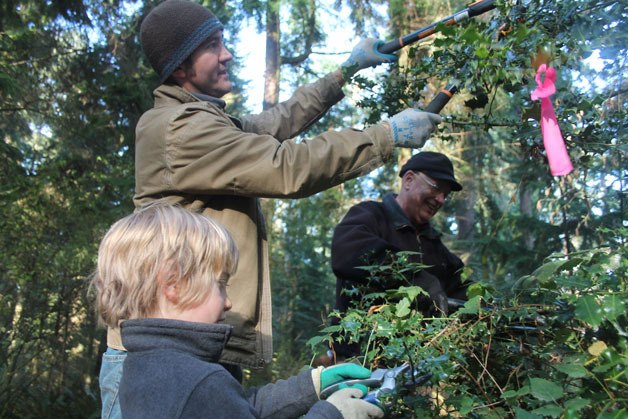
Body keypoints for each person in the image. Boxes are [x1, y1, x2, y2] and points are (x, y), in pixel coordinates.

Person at [99, 0, 443, 416]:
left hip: (189, 339)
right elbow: (286, 166)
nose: (227, 54)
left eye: (224, 41)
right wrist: (386, 135)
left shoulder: (199, 119)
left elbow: (274, 123)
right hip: (166, 349)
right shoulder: (180, 129)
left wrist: (344, 73)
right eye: (213, 46)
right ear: (179, 67)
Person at [91, 204, 384, 419]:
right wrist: (333, 414)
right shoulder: (198, 380)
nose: (228, 302)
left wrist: (312, 384)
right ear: (174, 284)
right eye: (220, 284)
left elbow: (237, 407)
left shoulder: (145, 364)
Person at [330, 151, 469, 359]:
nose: (440, 199)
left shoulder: (434, 246)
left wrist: (494, 307)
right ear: (409, 180)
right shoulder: (370, 216)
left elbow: (459, 289)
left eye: (446, 195)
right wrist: (415, 278)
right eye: (436, 188)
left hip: (411, 366)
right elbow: (347, 253)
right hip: (357, 361)